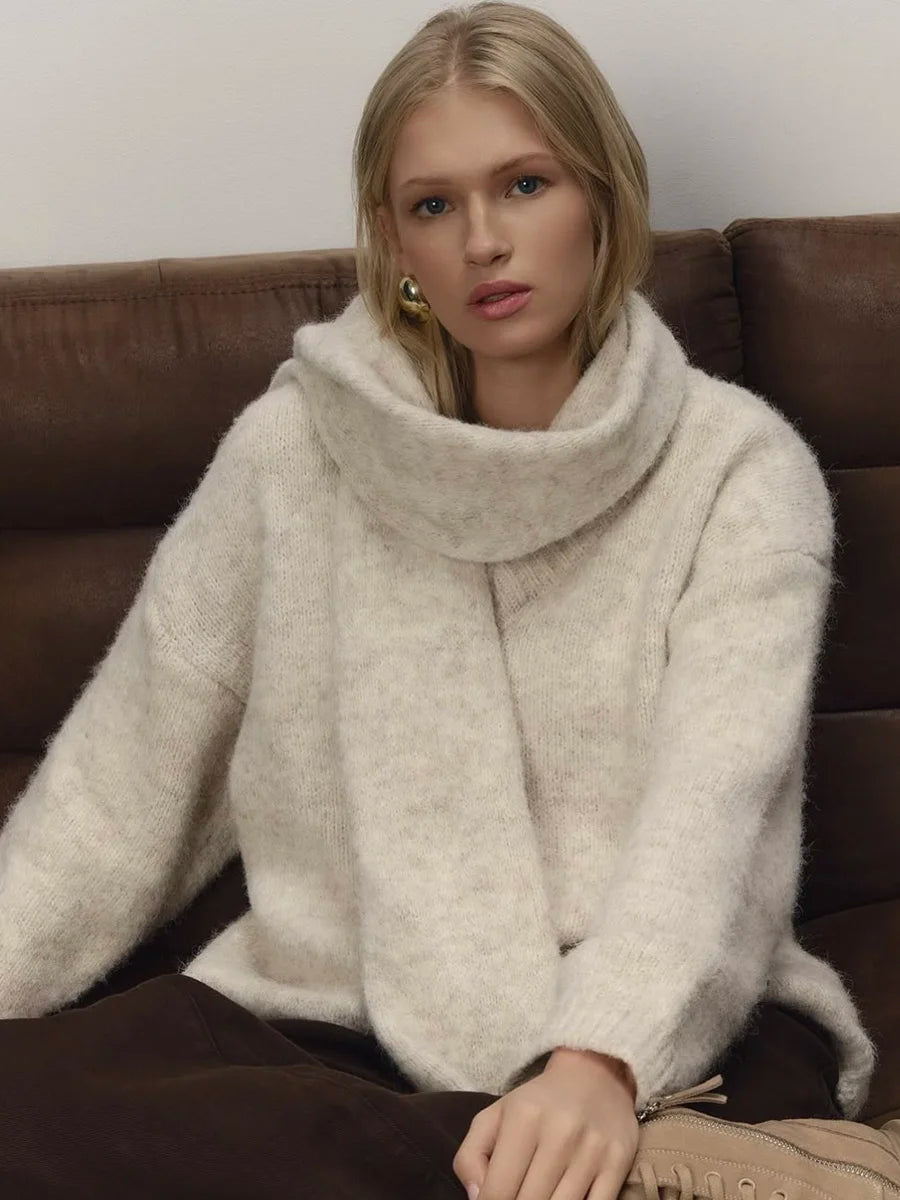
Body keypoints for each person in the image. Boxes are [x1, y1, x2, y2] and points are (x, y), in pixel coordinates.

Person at [0, 3, 877, 1199]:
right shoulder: (288, 455)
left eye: (525, 185)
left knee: (540, 1141)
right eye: (432, 205)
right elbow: (120, 788)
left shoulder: (738, 472)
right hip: (336, 1019)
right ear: (392, 239)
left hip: (659, 1027)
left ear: (602, 195)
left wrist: (598, 1060)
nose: (483, 242)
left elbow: (711, 824)